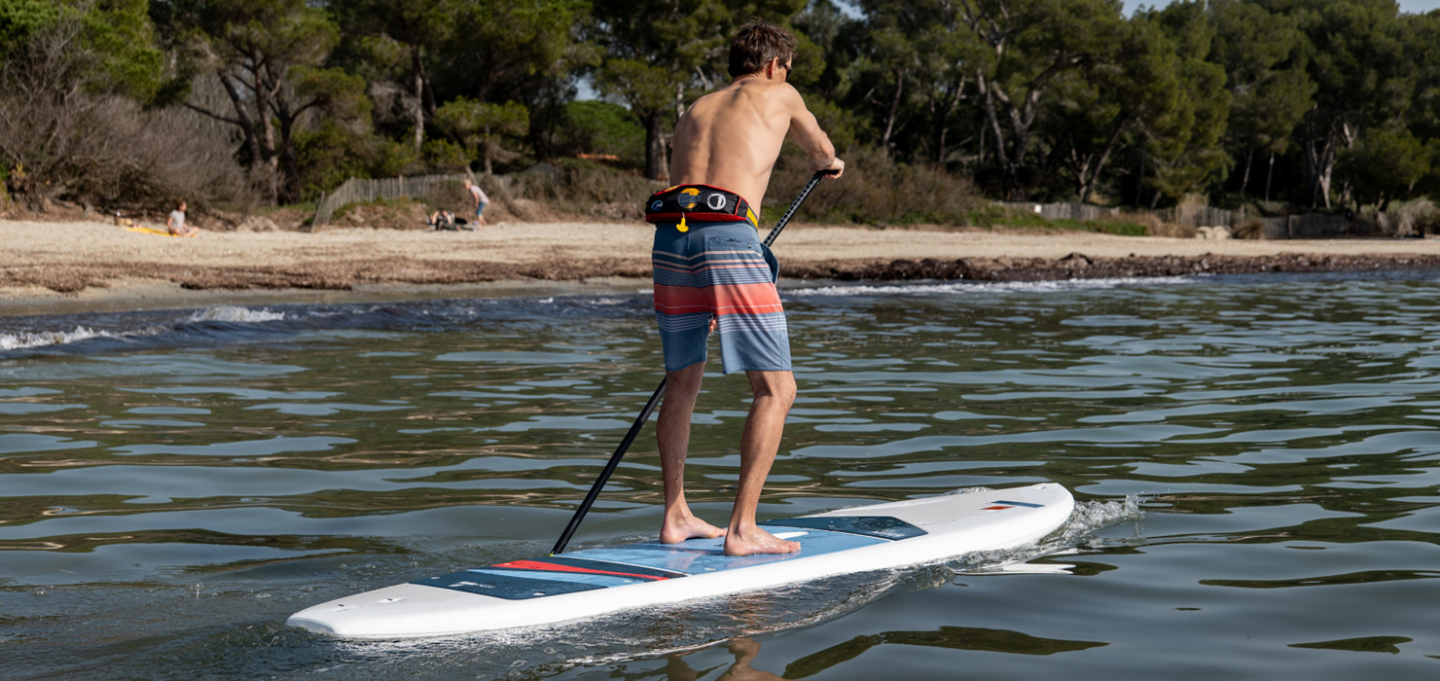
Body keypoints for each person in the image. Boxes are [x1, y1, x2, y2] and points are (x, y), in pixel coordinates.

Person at [647, 20, 844, 556]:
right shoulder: (781, 93)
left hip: (672, 239)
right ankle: (743, 529)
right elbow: (821, 150)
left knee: (681, 382)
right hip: (729, 242)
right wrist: (830, 164)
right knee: (777, 390)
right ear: (776, 65)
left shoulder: (697, 107)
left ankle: (676, 516)